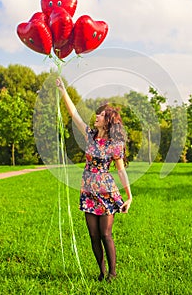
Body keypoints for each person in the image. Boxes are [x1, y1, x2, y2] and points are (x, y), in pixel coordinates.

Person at [56, 77, 132, 282]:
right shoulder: (90, 136)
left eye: (100, 115)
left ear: (108, 121)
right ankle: (101, 271)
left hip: (106, 191)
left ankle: (113, 274)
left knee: (106, 234)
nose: (96, 116)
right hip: (88, 190)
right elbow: (74, 114)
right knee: (93, 235)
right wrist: (63, 90)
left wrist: (129, 196)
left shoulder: (115, 145)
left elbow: (121, 171)